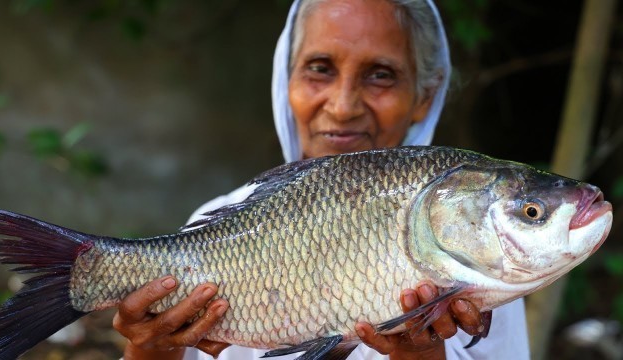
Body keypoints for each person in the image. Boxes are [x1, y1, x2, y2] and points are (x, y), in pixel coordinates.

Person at [113, 0, 530, 359]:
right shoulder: (215, 223)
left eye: (380, 74)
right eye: (319, 68)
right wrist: (151, 346)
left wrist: (420, 354)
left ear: (424, 95)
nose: (344, 104)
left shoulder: (483, 258)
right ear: (286, 80)